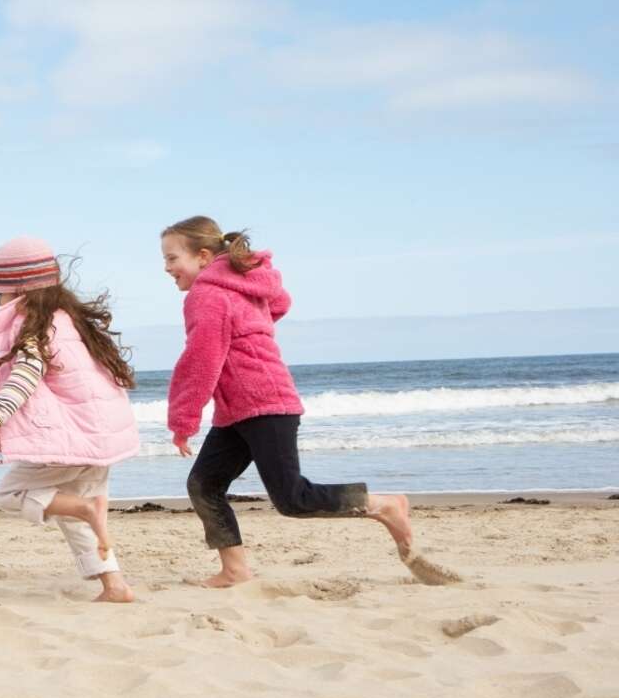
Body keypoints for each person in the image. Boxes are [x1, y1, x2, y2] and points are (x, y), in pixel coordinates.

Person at [161, 215, 431, 587]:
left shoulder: (206, 295)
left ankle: (384, 505)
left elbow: (201, 360)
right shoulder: (240, 287)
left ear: (204, 256)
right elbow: (279, 303)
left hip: (265, 404)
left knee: (293, 499)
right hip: (239, 409)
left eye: (172, 258)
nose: (167, 268)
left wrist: (183, 420)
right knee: (204, 484)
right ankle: (235, 570)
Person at [0, 238, 142, 603]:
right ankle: (115, 586)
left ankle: (85, 509)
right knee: (73, 514)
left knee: (11, 493)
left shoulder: (33, 328)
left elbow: (26, 374)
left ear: (18, 289)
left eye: (0, 294)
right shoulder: (72, 321)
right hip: (101, 435)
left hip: (74, 439)